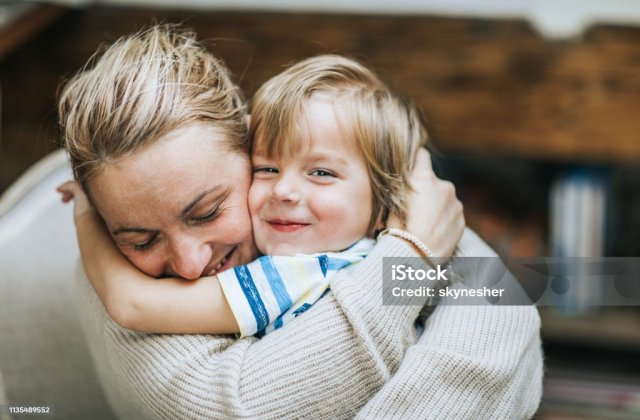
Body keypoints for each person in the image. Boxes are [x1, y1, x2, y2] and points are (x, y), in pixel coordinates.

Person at [58, 25, 542, 418]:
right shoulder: (109, 269)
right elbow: (235, 408)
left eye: (207, 212)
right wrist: (412, 253)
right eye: (140, 239)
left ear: (250, 142)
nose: (187, 265)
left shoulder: (315, 240)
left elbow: (504, 303)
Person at [60, 54, 437, 338]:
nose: (190, 268)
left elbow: (132, 305)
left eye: (207, 212)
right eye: (267, 169)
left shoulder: (297, 272)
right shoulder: (392, 254)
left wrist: (84, 215)